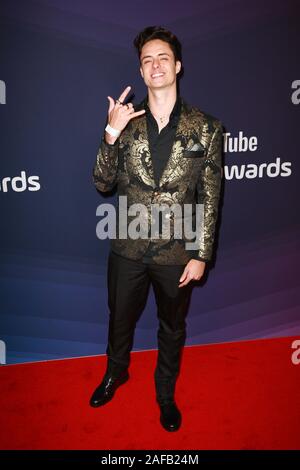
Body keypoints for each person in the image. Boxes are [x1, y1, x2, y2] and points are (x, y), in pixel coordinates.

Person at [90, 26, 223, 432]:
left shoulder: (207, 127)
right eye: (147, 59)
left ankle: (165, 394)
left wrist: (202, 254)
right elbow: (102, 183)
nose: (155, 64)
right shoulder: (125, 124)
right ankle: (116, 373)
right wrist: (110, 132)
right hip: (127, 245)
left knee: (172, 326)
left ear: (177, 66)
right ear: (141, 71)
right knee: (119, 319)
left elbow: (211, 196)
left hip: (177, 251)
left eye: (163, 57)